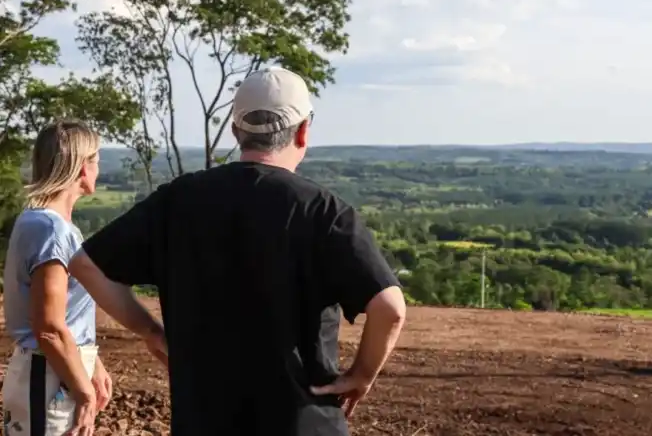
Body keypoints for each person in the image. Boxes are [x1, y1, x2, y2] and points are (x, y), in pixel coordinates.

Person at [69, 67, 406, 436]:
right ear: (303, 130)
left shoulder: (178, 200)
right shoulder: (324, 211)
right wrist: (361, 375)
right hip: (304, 423)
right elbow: (389, 308)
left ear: (236, 131)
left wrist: (150, 330)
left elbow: (86, 265)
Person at [2, 120, 164, 436]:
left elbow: (69, 316)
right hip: (47, 377)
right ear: (80, 169)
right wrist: (84, 391)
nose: (98, 169)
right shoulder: (50, 231)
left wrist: (92, 364)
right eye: (96, 160)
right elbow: (48, 328)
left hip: (54, 372)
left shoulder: (49, 226)